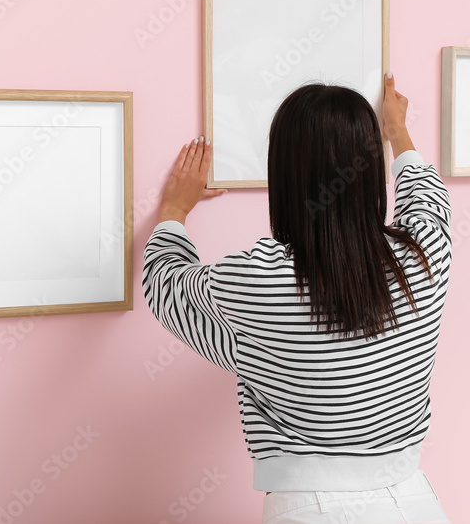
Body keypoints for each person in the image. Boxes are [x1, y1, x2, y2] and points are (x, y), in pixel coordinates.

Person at [143, 72, 452, 523]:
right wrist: (397, 132)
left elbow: (165, 284)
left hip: (310, 509)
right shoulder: (426, 255)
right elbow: (428, 199)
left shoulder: (257, 281)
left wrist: (174, 210)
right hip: (416, 504)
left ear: (284, 175)